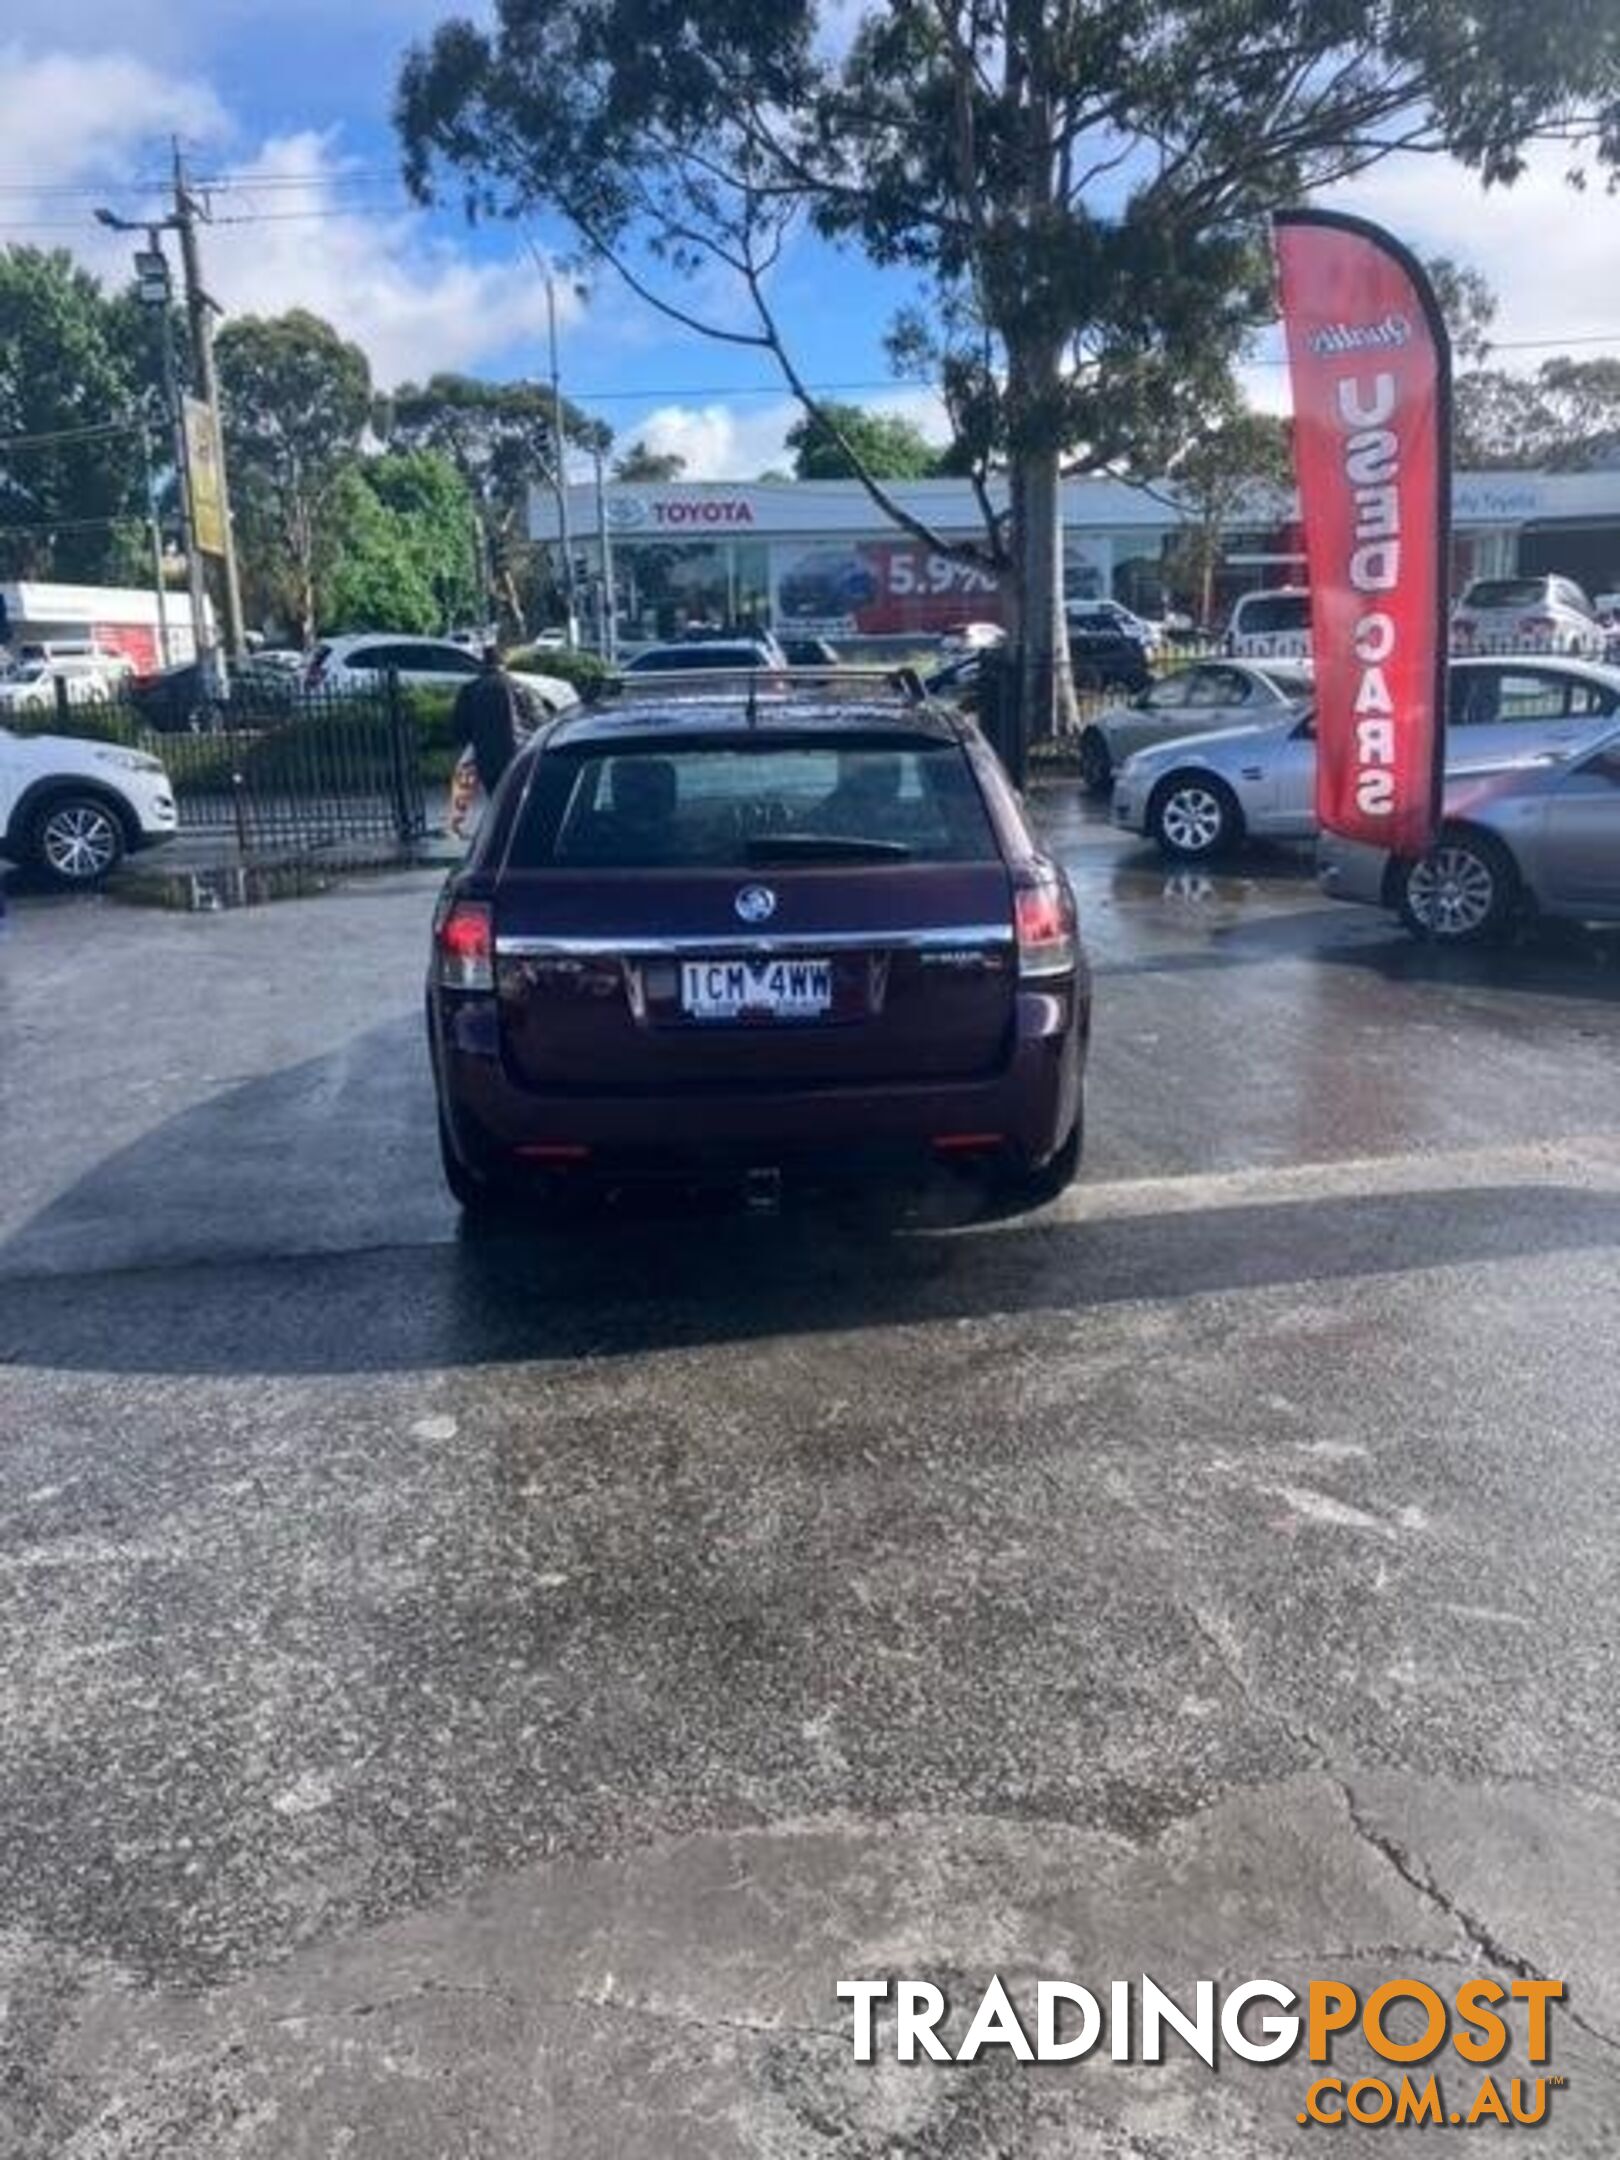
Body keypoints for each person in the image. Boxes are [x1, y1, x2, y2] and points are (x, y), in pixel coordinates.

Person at [447, 646, 535, 840]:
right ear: (502, 664)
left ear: (482, 664)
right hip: (520, 754)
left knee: (495, 798)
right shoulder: (519, 686)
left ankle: (500, 836)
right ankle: (519, 833)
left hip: (487, 755)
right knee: (517, 797)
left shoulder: (470, 689)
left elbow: (459, 727)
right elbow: (535, 719)